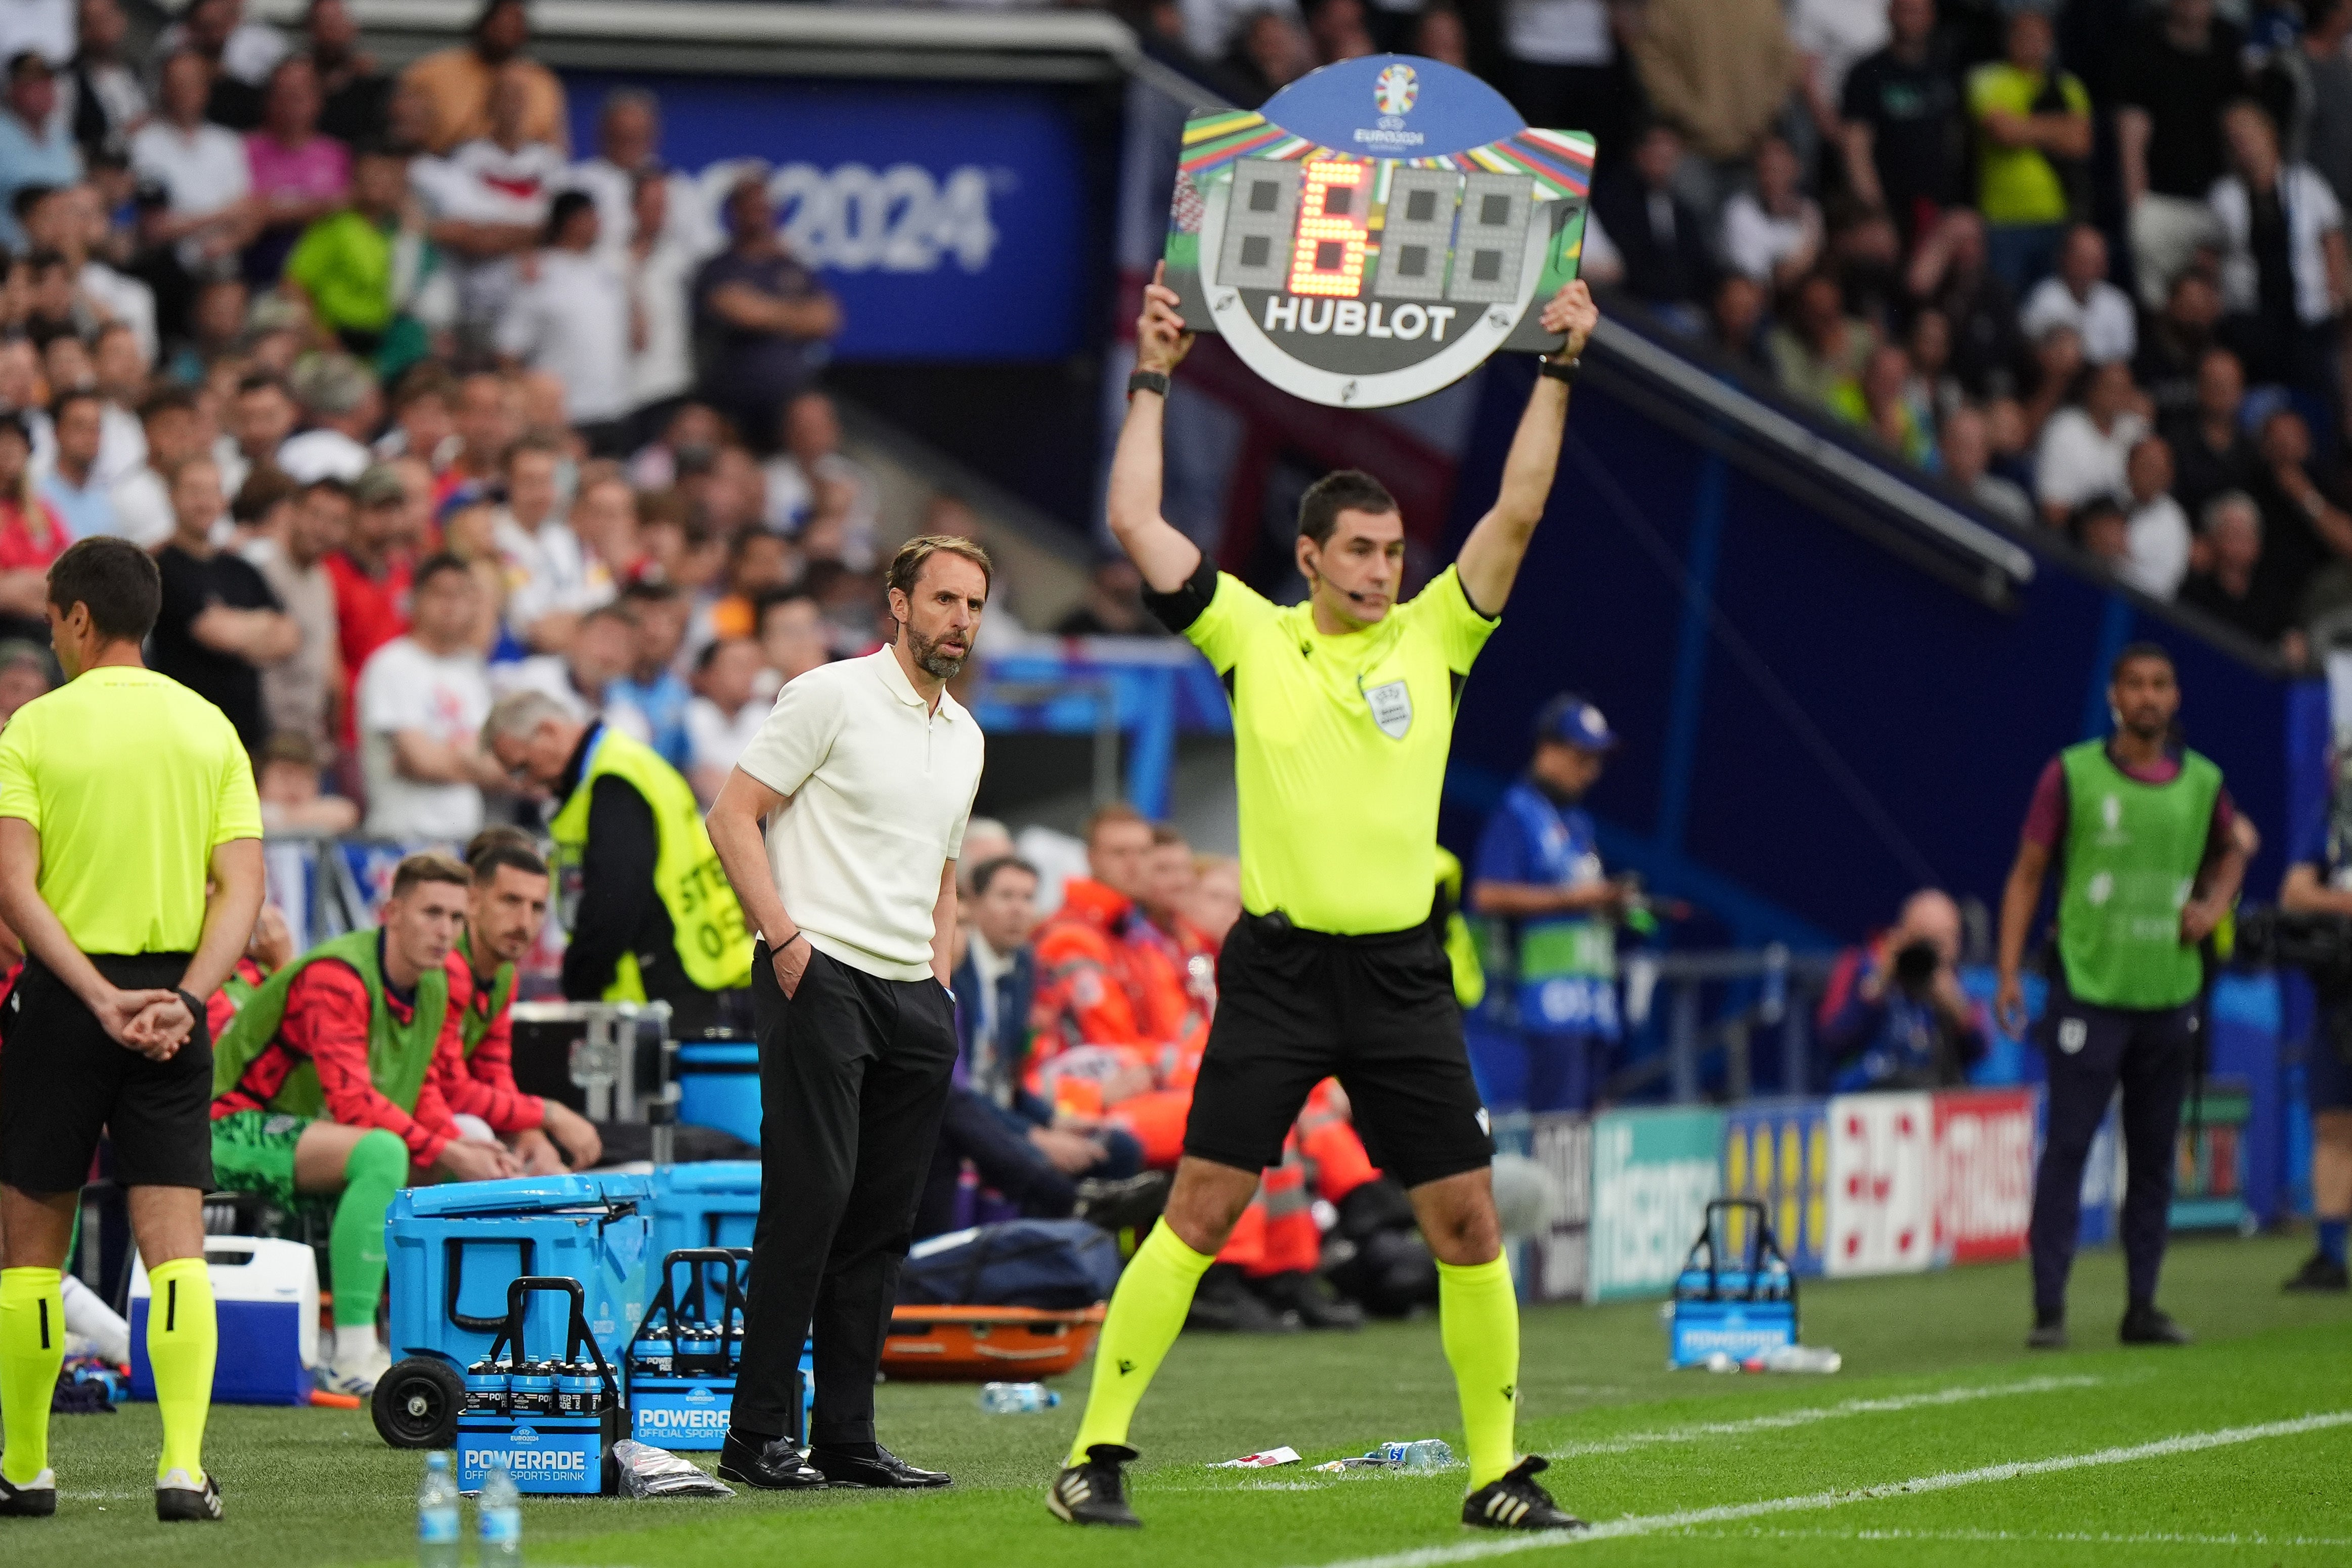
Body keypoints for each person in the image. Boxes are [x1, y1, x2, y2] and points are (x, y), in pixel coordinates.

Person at [1043, 266, 1600, 1533]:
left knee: (1463, 1214)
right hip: (1283, 972)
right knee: (1201, 1206)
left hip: (1403, 973)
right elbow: (1135, 516)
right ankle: (1094, 1450)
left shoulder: (1439, 634)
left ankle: (1495, 1472)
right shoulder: (1250, 632)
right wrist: (1153, 373)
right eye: (1360, 549)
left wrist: (1558, 365)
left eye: (1395, 550)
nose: (1384, 568)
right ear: (1309, 556)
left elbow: (1519, 505)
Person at [701, 533, 991, 1493]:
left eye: (974, 605)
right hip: (817, 970)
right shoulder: (828, 693)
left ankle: (847, 1438)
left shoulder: (966, 735)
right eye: (944, 600)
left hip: (913, 993)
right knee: (811, 1201)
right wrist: (782, 938)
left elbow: (945, 875)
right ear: (899, 604)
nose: (961, 621)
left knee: (881, 1221)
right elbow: (733, 814)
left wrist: (941, 985)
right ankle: (753, 1436)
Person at [0, 536, 267, 1522]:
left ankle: (25, 1468)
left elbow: (13, 883)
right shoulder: (210, 729)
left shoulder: (31, 729)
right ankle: (183, 1469)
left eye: (51, 617)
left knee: (30, 1250)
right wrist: (187, 999)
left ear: (76, 616)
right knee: (176, 1246)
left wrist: (92, 994)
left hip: (67, 1001)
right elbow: (245, 890)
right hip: (172, 1007)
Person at [1995, 642, 2246, 1351]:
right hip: (2087, 989)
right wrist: (2010, 971)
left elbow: (2233, 849)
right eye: (2133, 684)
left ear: (2175, 699)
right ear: (2113, 697)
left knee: (2154, 1153)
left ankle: (2142, 1305)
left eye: (2159, 684)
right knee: (2068, 1147)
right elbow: (2026, 873)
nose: (2146, 696)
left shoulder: (2203, 783)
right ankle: (2049, 1309)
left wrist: (2213, 905)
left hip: (2168, 992)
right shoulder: (2070, 775)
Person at [209, 851, 522, 1398]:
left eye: (455, 918)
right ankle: (353, 1351)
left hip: (308, 1132)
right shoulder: (338, 974)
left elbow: (421, 1089)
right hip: (224, 1126)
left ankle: (446, 1343)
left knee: (465, 1145)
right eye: (431, 913)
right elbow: (354, 1103)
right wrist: (448, 1150)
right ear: (392, 911)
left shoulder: (434, 984)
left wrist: (460, 1146)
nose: (445, 931)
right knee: (383, 1152)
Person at [483, 686, 753, 1032]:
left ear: (549, 731)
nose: (524, 784)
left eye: (522, 768)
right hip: (705, 966)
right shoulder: (627, 762)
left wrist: (580, 979)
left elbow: (616, 897)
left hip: (669, 983)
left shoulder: (612, 781)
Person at [1467, 694, 1629, 1114]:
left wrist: (1611, 904)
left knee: (1583, 1132)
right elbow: (1486, 894)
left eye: (1598, 760)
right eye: (1581, 758)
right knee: (1552, 1134)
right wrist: (1576, 898)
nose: (1591, 772)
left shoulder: (1577, 822)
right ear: (1548, 750)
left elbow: (1583, 896)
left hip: (1589, 1010)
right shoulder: (1515, 815)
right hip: (1536, 1014)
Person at [447, 827, 600, 1174]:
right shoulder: (442, 965)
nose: (524, 922)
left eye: (536, 908)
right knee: (477, 1137)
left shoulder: (503, 974)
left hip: (426, 1113)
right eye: (511, 901)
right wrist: (550, 1115)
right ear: (473, 899)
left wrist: (528, 1133)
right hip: (369, 1118)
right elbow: (448, 1089)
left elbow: (493, 1071)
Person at [149, 454, 295, 755]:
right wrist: (262, 623)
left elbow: (290, 637)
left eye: (212, 491)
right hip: (185, 738)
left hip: (247, 738)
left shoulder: (241, 569)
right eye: (194, 492)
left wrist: (237, 625)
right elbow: (217, 634)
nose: (204, 502)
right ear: (171, 496)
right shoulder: (161, 568)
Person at [355, 553, 502, 841]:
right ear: (415, 601)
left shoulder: (471, 669)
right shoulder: (391, 664)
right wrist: (472, 762)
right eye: (440, 594)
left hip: (464, 838)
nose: (452, 605)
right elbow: (418, 761)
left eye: (461, 595)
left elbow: (499, 765)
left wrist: (445, 759)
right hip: (400, 840)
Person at [692, 176, 842, 451]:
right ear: (733, 212)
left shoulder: (792, 265)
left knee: (815, 416)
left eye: (763, 207)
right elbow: (739, 310)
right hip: (733, 406)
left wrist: (766, 311)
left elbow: (828, 318)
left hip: (789, 402)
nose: (758, 215)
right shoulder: (718, 267)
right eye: (749, 207)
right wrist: (796, 315)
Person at [2116, 0, 2243, 309]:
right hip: (2161, 201)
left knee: (2223, 300)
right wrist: (2137, 204)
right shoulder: (2143, 43)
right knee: (2157, 301)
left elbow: (2241, 124)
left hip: (2218, 201)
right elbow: (2132, 130)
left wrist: (2242, 197)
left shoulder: (2229, 41)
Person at [2274, 801, 2352, 1292]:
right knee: (2333, 1122)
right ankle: (2330, 1254)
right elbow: (2295, 892)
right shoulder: (2334, 830)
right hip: (2340, 999)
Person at [1965, 7, 2090, 292]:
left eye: (2039, 37)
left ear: (2050, 44)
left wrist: (2024, 127)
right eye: (2023, 36)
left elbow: (2081, 142)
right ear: (2008, 39)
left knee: (2049, 305)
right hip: (2002, 219)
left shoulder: (2067, 86)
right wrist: (2058, 129)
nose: (2031, 43)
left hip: (2056, 215)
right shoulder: (1987, 78)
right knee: (2006, 301)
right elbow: (2002, 132)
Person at [495, 190, 629, 453]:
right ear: (569, 222)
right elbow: (508, 351)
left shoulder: (607, 270)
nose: (597, 224)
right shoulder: (538, 273)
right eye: (589, 216)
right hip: (566, 414)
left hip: (615, 409)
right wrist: (528, 411)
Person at [1818, 888, 1987, 1090]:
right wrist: (1880, 981)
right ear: (1905, 935)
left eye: (1950, 937)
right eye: (1929, 940)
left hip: (1933, 1094)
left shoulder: (1956, 982)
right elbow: (1833, 1036)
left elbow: (1981, 1051)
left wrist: (1955, 1006)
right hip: (1869, 1095)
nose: (1940, 950)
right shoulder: (1862, 965)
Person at [1839, 0, 1964, 248]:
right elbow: (1856, 150)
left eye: (1920, 11)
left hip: (1939, 206)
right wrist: (1876, 214)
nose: (1913, 18)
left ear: (1932, 17)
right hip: (1887, 208)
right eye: (1907, 11)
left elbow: (1958, 140)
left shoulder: (1946, 69)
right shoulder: (1867, 73)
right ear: (1891, 14)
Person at [241, 473, 346, 757]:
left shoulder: (323, 579)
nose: (323, 529)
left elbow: (328, 665)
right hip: (261, 737)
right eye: (316, 515)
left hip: (308, 740)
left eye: (337, 522)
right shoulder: (257, 566)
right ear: (292, 513)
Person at [400, 0, 568, 156]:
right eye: (500, 22)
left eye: (514, 24)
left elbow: (556, 150)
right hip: (444, 170)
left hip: (519, 174)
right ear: (484, 23)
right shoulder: (432, 73)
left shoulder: (541, 82)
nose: (506, 29)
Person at [2018, 225, 2137, 366]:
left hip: (2102, 378)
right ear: (2064, 259)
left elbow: (2123, 358)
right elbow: (2031, 351)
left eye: (2096, 260)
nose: (2090, 268)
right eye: (2083, 259)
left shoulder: (2118, 302)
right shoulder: (2045, 296)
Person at [0, 53, 79, 254]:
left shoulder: (61, 135)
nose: (45, 90)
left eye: (48, 83)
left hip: (62, 254)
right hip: (11, 255)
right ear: (12, 89)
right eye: (34, 84)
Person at [683, 636, 767, 803]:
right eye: (739, 666)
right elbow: (699, 779)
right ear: (708, 675)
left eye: (755, 667)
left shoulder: (765, 716)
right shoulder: (689, 717)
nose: (750, 675)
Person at [39, 386, 116, 541]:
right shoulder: (36, 495)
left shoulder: (106, 498)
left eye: (96, 427)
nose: (90, 436)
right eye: (79, 426)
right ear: (57, 433)